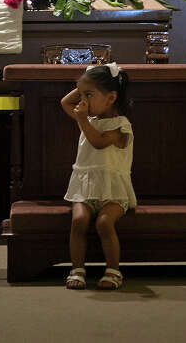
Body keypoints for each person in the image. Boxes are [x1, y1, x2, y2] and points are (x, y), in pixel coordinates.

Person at [60, 62, 135, 290]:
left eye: (89, 95)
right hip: (85, 188)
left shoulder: (121, 126)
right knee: (79, 220)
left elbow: (99, 142)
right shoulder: (89, 119)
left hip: (114, 192)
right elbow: (65, 102)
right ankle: (77, 269)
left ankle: (113, 270)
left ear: (111, 98)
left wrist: (83, 118)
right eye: (81, 95)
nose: (82, 102)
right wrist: (86, 84)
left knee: (104, 222)